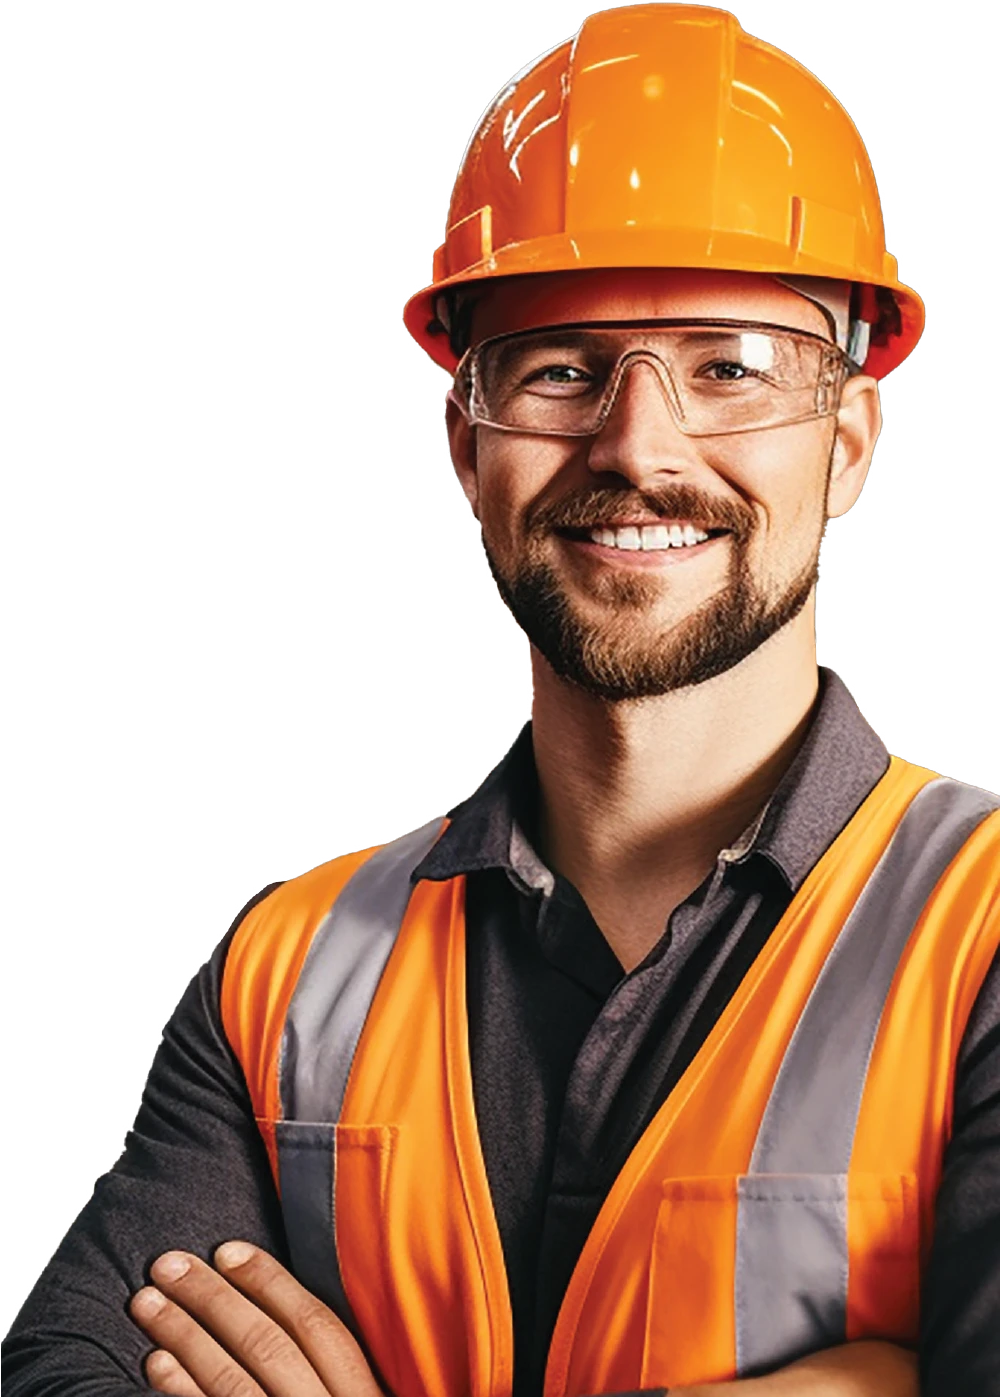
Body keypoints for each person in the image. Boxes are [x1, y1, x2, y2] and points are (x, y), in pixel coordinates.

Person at [1, 4, 995, 1396]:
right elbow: (60, 1375)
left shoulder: (986, 926)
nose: (639, 446)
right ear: (467, 446)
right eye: (562, 371)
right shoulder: (287, 976)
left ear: (845, 444)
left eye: (727, 368)